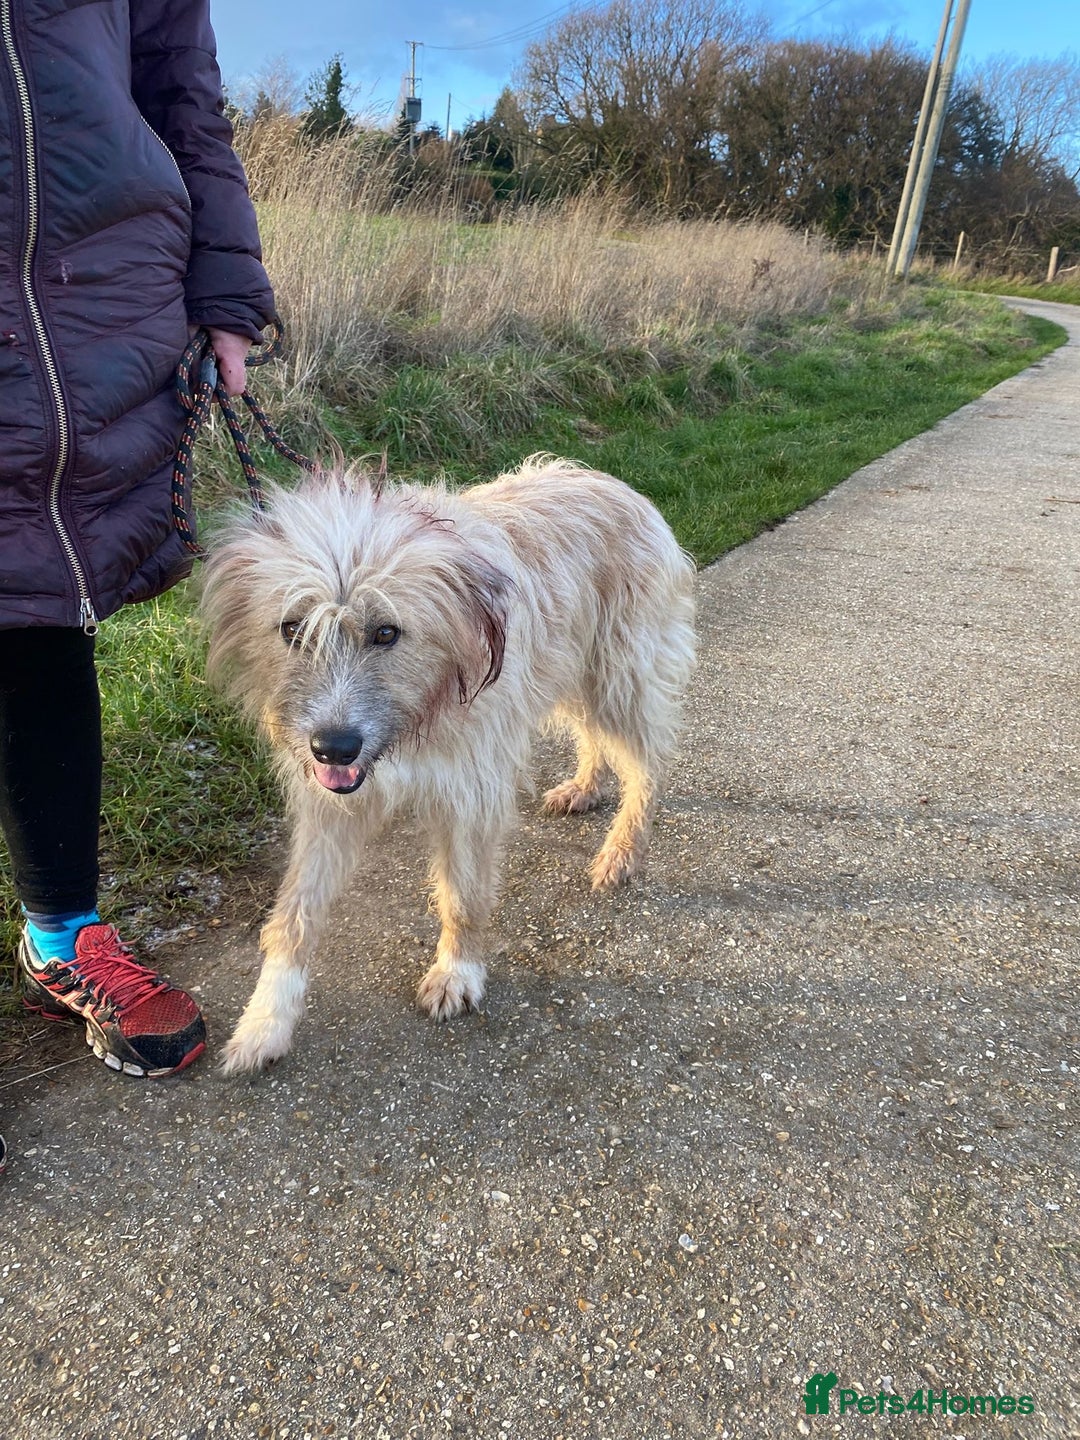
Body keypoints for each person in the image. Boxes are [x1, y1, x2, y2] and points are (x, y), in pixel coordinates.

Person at [0, 0, 275, 1079]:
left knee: (39, 601)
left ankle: (62, 935)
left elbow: (183, 91)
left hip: (90, 296)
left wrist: (227, 289)